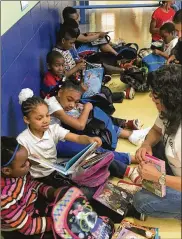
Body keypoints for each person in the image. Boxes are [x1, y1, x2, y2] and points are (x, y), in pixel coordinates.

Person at [17, 89, 102, 185]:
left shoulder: (53, 129)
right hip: (38, 179)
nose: (45, 121)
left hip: (55, 169)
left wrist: (89, 139)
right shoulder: (22, 140)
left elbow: (77, 138)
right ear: (27, 120)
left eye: (47, 115)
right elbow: (19, 166)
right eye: (39, 118)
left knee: (87, 174)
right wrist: (30, 162)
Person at [133, 64, 181, 219]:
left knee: (141, 201)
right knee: (157, 145)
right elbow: (156, 130)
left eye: (155, 95)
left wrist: (159, 178)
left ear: (170, 97)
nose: (150, 97)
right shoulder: (170, 110)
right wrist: (146, 144)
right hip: (176, 171)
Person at [42, 80, 150, 147]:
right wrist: (86, 109)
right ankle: (129, 140)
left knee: (94, 113)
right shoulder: (53, 105)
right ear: (60, 92)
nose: (71, 104)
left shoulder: (60, 100)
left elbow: (73, 107)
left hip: (62, 131)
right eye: (69, 99)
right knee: (90, 124)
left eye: (75, 101)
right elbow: (79, 125)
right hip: (57, 139)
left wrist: (79, 105)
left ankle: (130, 135)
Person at [1, 136, 70, 238]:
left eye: (28, 158)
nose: (29, 164)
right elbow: (28, 227)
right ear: (7, 170)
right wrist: (59, 222)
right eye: (24, 164)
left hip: (30, 207)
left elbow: (29, 184)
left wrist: (50, 191)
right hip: (21, 228)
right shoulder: (4, 198)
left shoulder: (16, 173)